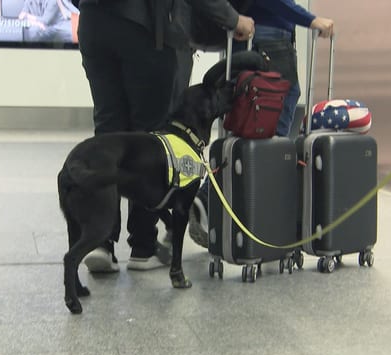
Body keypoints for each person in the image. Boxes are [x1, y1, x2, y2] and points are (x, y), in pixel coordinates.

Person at [77, 0, 255, 272]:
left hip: (94, 22)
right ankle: (143, 246)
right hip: (147, 27)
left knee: (108, 131)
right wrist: (233, 19)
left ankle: (100, 241)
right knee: (150, 135)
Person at [188, 0, 335, 247]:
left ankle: (210, 200)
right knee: (269, 137)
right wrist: (310, 19)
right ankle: (257, 218)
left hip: (247, 36)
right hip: (271, 40)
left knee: (247, 127)